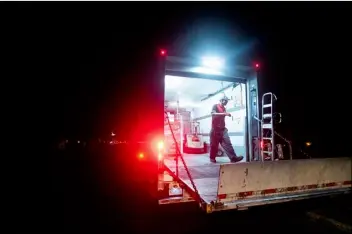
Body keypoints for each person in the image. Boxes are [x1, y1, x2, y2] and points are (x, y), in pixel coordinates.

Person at [210, 96, 244, 163]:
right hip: (215, 129)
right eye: (225, 101)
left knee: (228, 144)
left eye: (227, 101)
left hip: (223, 129)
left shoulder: (224, 108)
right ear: (222, 100)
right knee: (214, 145)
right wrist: (224, 114)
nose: (226, 102)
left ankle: (233, 158)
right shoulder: (215, 106)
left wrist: (225, 114)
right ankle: (212, 158)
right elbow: (213, 113)